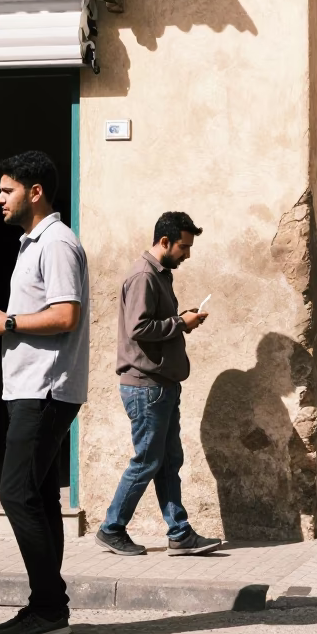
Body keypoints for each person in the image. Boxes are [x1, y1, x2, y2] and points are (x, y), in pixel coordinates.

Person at [0, 151, 89, 634]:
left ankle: (49, 606)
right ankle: (47, 608)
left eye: (6, 190)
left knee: (15, 494)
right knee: (38, 496)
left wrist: (7, 322)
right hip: (31, 385)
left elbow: (66, 316)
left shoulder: (57, 243)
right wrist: (5, 319)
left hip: (45, 388)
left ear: (34, 192)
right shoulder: (31, 243)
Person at [97, 212, 221, 556]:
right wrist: (180, 322)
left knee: (167, 461)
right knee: (147, 462)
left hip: (160, 384)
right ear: (164, 242)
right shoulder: (143, 276)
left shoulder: (159, 275)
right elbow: (139, 329)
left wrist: (182, 322)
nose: (188, 254)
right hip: (146, 386)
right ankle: (112, 528)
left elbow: (155, 324)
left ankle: (179, 533)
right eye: (184, 246)